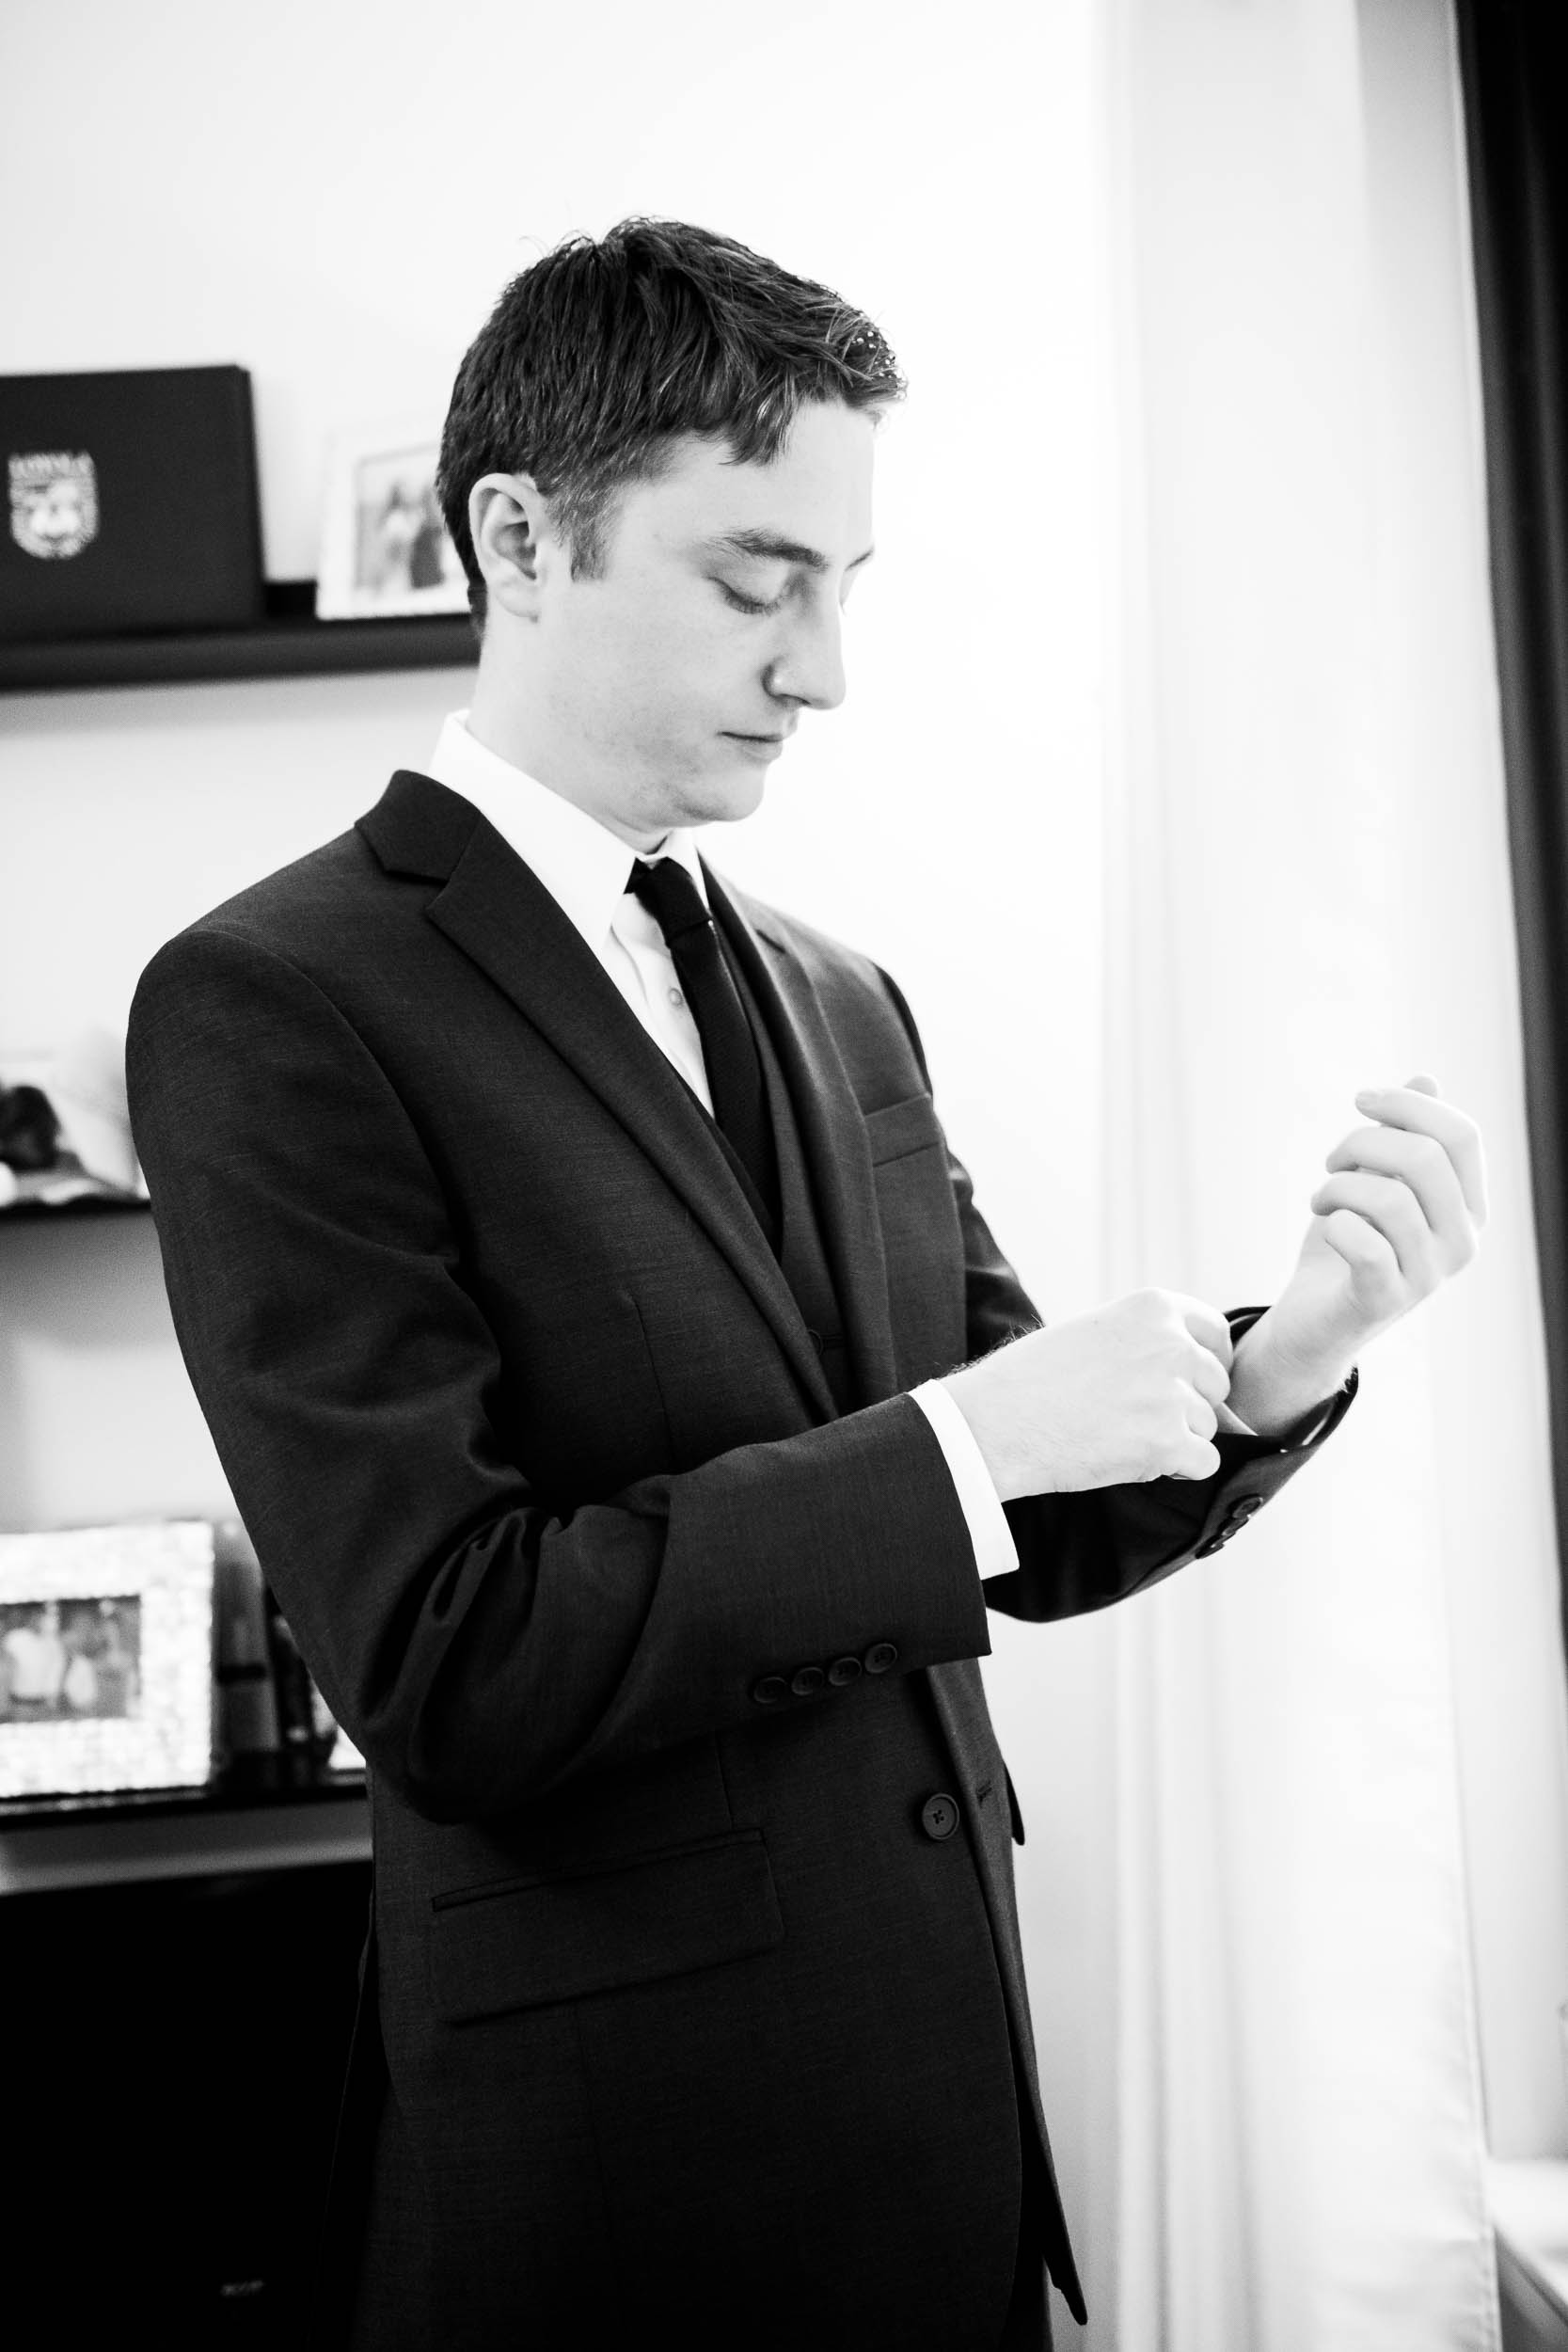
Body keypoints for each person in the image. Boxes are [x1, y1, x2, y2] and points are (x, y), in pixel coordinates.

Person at [124, 218, 1486, 2352]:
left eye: (845, 591)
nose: (823, 667)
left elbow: (1012, 1516)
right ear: (521, 534)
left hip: (939, 2135)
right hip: (609, 2197)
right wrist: (957, 1448)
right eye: (758, 583)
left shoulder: (844, 996)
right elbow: (447, 1660)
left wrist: (1276, 1361)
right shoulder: (271, 1003)